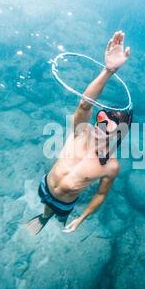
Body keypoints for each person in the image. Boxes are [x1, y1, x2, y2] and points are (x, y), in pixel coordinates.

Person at [26, 31, 132, 235]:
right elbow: (85, 105)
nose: (103, 120)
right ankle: (44, 216)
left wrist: (81, 219)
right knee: (46, 208)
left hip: (66, 203)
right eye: (104, 116)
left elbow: (101, 195)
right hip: (46, 185)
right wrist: (108, 71)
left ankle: (53, 217)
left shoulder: (111, 166)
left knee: (60, 215)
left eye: (111, 122)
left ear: (120, 133)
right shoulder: (82, 132)